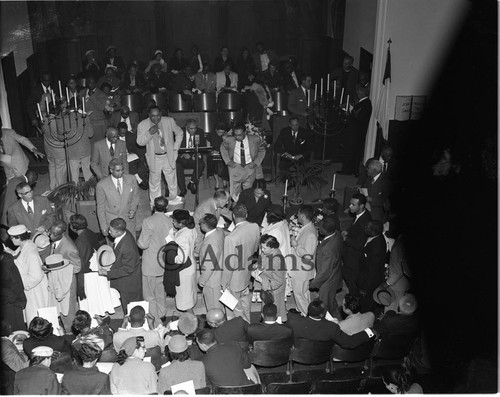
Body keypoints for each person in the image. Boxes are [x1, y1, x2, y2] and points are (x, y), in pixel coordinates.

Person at [137, 105, 184, 206]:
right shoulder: (142, 125)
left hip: (168, 156)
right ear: (149, 115)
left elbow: (180, 133)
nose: (156, 118)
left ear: (161, 114)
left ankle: (173, 205)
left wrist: (175, 148)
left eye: (158, 115)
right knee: (154, 183)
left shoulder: (169, 121)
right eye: (153, 116)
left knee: (172, 182)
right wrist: (149, 133)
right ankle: (155, 207)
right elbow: (140, 142)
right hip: (154, 157)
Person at [221, 204, 260, 323]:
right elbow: (255, 248)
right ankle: (248, 323)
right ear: (246, 215)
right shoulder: (255, 227)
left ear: (233, 216)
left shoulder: (230, 238)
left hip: (234, 279)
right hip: (246, 273)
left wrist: (224, 283)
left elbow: (229, 264)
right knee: (245, 303)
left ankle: (240, 329)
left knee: (235, 310)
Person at [137, 196, 172, 326]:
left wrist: (138, 242)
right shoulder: (170, 221)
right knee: (160, 292)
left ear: (153, 206)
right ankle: (162, 315)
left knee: (149, 295)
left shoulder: (148, 221)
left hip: (150, 263)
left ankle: (155, 321)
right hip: (163, 262)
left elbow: (143, 244)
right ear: (166, 207)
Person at [6, 225, 48, 326]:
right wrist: (10, 253)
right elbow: (20, 258)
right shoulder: (25, 246)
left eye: (12, 238)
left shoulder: (31, 253)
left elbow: (36, 276)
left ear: (19, 238)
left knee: (36, 319)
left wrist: (22, 284)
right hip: (29, 290)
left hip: (34, 291)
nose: (11, 240)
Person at [286, 300, 375, 347]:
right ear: (322, 314)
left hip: (300, 354)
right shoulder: (332, 327)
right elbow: (349, 342)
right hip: (321, 356)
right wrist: (369, 332)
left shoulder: (293, 321)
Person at [99, 218, 142, 312]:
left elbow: (127, 269)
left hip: (129, 283)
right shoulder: (124, 233)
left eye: (112, 231)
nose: (109, 232)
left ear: (119, 232)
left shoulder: (127, 248)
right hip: (127, 280)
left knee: (131, 308)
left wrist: (107, 273)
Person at [47, 220, 82, 332]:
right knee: (60, 309)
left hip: (67, 283)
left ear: (62, 234)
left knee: (68, 311)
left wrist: (58, 269)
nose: (51, 236)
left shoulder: (69, 248)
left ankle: (70, 333)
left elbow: (77, 267)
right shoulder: (56, 240)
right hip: (58, 282)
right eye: (50, 232)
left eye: (54, 234)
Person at [220, 123, 266, 201]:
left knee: (249, 192)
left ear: (245, 133)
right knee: (234, 193)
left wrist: (256, 162)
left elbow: (262, 150)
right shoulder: (229, 140)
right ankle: (235, 208)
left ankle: (246, 208)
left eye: (240, 135)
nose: (237, 137)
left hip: (249, 167)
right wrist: (228, 161)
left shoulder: (255, 139)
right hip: (235, 167)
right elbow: (223, 149)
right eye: (235, 135)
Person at [309, 216, 343, 318]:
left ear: (326, 230)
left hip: (328, 281)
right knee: (331, 299)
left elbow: (325, 272)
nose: (318, 229)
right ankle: (335, 312)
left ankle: (330, 322)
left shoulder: (328, 249)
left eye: (320, 228)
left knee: (325, 305)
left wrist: (314, 283)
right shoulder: (337, 234)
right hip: (335, 273)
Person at [95, 158, 139, 238]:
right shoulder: (102, 185)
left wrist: (133, 210)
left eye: (122, 170)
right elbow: (100, 208)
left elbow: (135, 197)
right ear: (111, 170)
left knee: (130, 247)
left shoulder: (131, 179)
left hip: (128, 222)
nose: (121, 172)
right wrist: (103, 227)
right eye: (118, 171)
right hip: (113, 224)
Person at [289, 205, 317, 317]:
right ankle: (303, 311)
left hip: (302, 270)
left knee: (299, 293)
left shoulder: (310, 233)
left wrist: (296, 246)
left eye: (298, 214)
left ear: (303, 216)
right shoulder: (307, 227)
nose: (297, 216)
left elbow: (308, 256)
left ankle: (307, 315)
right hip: (302, 268)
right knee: (304, 293)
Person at [338, 84, 372, 176]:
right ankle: (350, 169)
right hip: (356, 133)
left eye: (359, 91)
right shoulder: (364, 103)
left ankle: (351, 170)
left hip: (356, 133)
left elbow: (357, 117)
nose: (357, 92)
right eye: (357, 90)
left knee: (352, 152)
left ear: (364, 92)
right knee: (352, 151)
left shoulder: (365, 104)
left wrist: (349, 113)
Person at [252, 234, 287, 322]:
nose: (262, 250)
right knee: (266, 309)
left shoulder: (277, 260)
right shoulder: (267, 252)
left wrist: (260, 279)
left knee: (274, 313)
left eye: (264, 248)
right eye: (261, 247)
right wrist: (257, 266)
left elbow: (278, 282)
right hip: (267, 288)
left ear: (272, 248)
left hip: (274, 291)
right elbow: (262, 261)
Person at [342, 193, 372, 295]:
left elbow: (360, 244)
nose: (350, 206)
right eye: (350, 203)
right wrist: (348, 232)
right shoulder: (361, 214)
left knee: (352, 282)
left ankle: (354, 302)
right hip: (350, 256)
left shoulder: (365, 222)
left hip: (354, 259)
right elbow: (356, 230)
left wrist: (346, 239)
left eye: (353, 204)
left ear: (362, 206)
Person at [169, 210, 198, 312]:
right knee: (189, 296)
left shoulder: (181, 236)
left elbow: (181, 258)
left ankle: (190, 323)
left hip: (184, 271)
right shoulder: (191, 229)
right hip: (191, 266)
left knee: (186, 301)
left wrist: (171, 256)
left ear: (181, 223)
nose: (172, 222)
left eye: (174, 221)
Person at [357, 220, 387, 312]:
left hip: (369, 283)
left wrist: (365, 288)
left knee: (366, 304)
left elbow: (373, 270)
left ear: (374, 231)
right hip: (364, 276)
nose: (365, 228)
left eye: (368, 227)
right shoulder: (374, 237)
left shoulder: (377, 247)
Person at [0, 118, 44, 182]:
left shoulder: (9, 133)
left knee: (23, 181)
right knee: (11, 182)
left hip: (18, 161)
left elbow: (22, 140)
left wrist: (33, 149)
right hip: (5, 165)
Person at [70, 214, 101, 302]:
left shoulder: (80, 242)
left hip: (86, 274)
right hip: (94, 268)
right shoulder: (89, 232)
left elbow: (81, 264)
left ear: (74, 227)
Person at [198, 214, 225, 311]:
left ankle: (216, 325)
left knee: (213, 308)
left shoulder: (210, 243)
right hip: (220, 274)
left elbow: (209, 266)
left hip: (212, 281)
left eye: (201, 223)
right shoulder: (219, 231)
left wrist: (202, 279)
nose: (199, 225)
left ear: (205, 225)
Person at [193, 189, 232, 254]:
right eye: (226, 201)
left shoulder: (216, 202)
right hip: (200, 238)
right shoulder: (207, 209)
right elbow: (211, 229)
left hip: (208, 231)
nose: (227, 203)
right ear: (221, 200)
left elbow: (227, 212)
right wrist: (230, 234)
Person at [176, 119, 206, 197]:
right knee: (177, 165)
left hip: (193, 157)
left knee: (201, 164)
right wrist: (183, 154)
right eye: (191, 129)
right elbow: (175, 146)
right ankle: (183, 189)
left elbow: (202, 147)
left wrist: (194, 154)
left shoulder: (200, 132)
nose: (193, 131)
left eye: (195, 128)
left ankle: (192, 182)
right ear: (186, 127)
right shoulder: (180, 132)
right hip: (182, 157)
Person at [0, 246, 27, 331]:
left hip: (11, 304)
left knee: (14, 332)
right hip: (10, 302)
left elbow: (14, 288)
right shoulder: (6, 261)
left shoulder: (5, 266)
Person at [80, 76, 108, 143]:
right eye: (88, 82)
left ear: (95, 83)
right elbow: (79, 105)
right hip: (85, 122)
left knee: (98, 145)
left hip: (98, 124)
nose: (90, 84)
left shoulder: (101, 94)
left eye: (92, 83)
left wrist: (92, 96)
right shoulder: (82, 92)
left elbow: (101, 107)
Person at [206, 121, 229, 189]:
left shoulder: (226, 135)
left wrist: (225, 139)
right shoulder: (210, 135)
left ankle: (224, 180)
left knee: (225, 161)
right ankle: (217, 181)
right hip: (213, 154)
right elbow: (208, 148)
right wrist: (212, 151)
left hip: (224, 154)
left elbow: (229, 147)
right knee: (214, 161)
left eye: (222, 132)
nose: (220, 134)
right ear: (216, 130)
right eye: (219, 132)